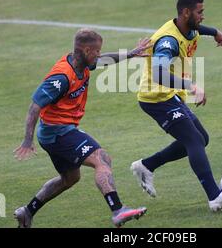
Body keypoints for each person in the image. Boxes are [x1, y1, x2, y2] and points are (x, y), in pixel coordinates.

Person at [13, 29, 151, 228]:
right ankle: (118, 210)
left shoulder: (83, 62)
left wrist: (131, 53)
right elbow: (34, 107)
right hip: (58, 132)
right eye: (96, 51)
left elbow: (104, 60)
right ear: (86, 50)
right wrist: (27, 140)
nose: (98, 55)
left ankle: (27, 211)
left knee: (70, 178)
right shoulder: (61, 77)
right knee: (101, 159)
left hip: (58, 132)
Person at [130, 0, 222, 212]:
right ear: (186, 12)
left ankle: (147, 165)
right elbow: (158, 74)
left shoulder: (186, 26)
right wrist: (191, 85)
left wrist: (215, 32)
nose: (203, 16)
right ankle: (215, 196)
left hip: (169, 95)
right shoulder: (168, 42)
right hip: (156, 98)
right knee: (193, 139)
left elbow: (196, 29)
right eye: (199, 12)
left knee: (201, 138)